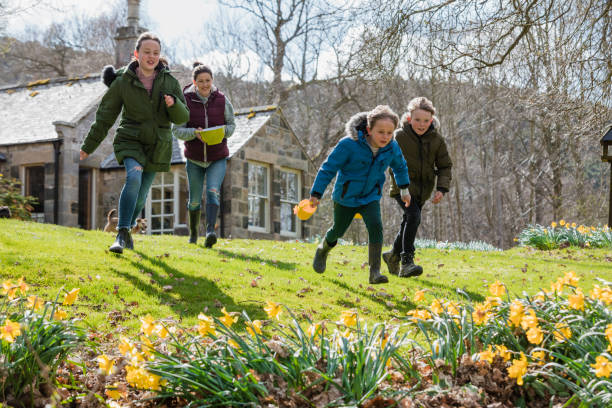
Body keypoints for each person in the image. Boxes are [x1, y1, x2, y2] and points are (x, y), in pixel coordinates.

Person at [80, 32, 189, 254]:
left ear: (160, 56)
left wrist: (173, 104)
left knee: (141, 195)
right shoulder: (122, 81)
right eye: (147, 52)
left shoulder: (169, 81)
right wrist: (88, 146)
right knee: (134, 176)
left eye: (156, 53)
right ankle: (120, 234)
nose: (151, 56)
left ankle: (128, 229)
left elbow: (183, 117)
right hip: (130, 139)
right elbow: (105, 116)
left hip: (157, 144)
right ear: (136, 54)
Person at [309, 105, 411, 284]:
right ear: (369, 129)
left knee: (376, 227)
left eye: (389, 133)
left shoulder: (391, 147)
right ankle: (323, 249)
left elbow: (400, 166)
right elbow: (328, 168)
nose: (385, 137)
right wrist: (316, 193)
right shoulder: (349, 145)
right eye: (381, 132)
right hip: (346, 197)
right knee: (338, 230)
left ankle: (375, 272)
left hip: (371, 196)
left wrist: (404, 190)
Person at [382, 97, 452, 277]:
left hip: (423, 189)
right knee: (413, 216)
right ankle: (407, 262)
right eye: (417, 120)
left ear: (432, 121)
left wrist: (441, 189)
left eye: (426, 121)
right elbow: (388, 159)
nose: (421, 124)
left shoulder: (437, 140)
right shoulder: (398, 137)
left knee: (409, 219)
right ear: (409, 119)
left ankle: (392, 255)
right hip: (402, 186)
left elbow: (444, 166)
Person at [172, 63, 236, 247]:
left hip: (217, 157)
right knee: (194, 200)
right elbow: (176, 130)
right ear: (194, 82)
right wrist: (194, 133)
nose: (205, 84)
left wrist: (221, 132)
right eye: (200, 81)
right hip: (194, 159)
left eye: (208, 80)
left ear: (212, 81)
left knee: (213, 192)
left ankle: (209, 232)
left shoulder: (222, 100)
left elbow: (232, 125)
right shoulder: (185, 100)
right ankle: (193, 233)